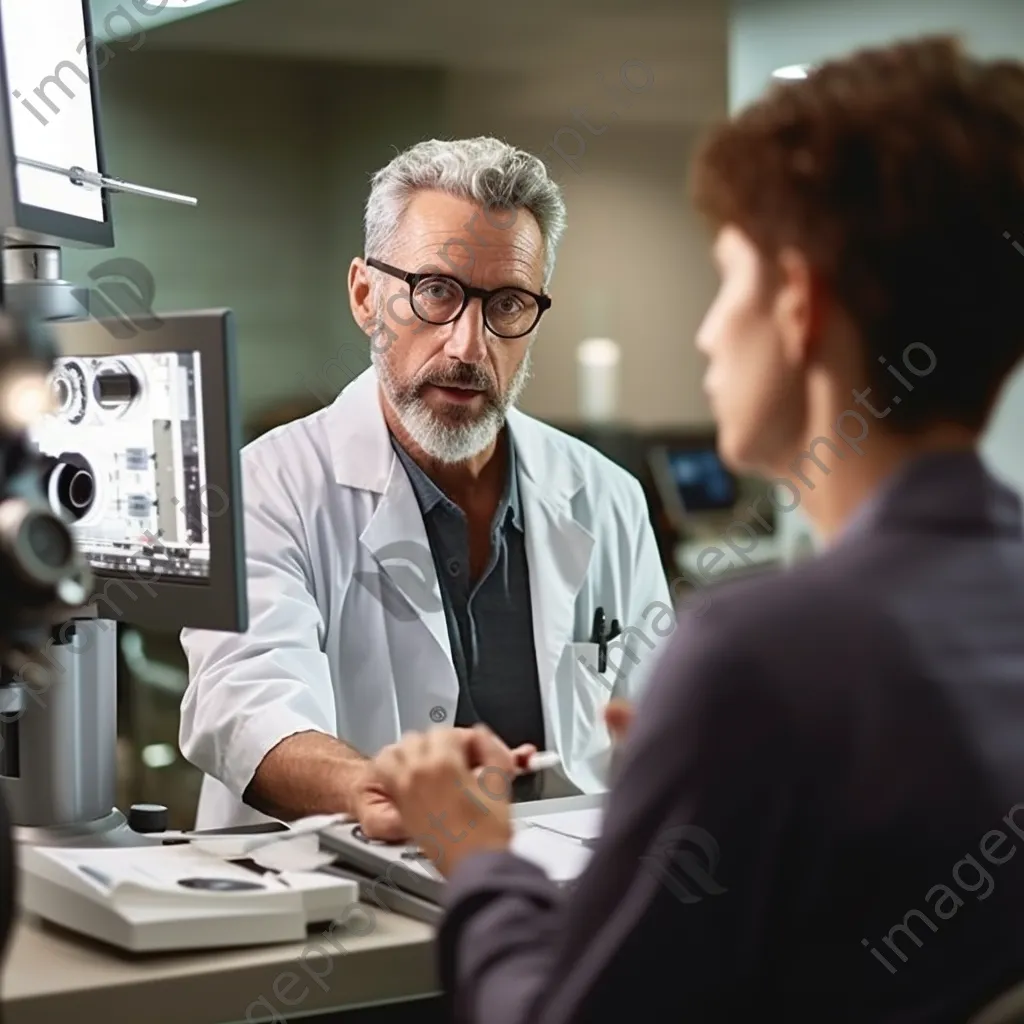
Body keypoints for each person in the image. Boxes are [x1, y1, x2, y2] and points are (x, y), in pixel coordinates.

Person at [371, 36, 1024, 1022]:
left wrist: (476, 857)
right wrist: (694, 770)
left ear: (798, 305)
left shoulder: (763, 654)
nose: (707, 331)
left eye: (727, 282)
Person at [179, 137, 671, 834]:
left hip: (548, 905)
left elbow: (650, 728)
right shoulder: (265, 487)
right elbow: (244, 705)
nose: (468, 347)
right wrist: (374, 789)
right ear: (364, 295)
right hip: (329, 909)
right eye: (436, 292)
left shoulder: (607, 497)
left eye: (506, 304)